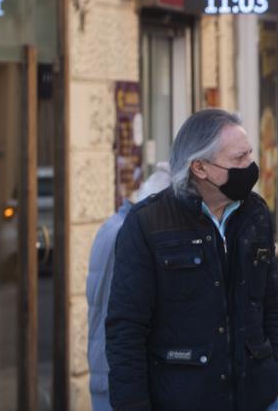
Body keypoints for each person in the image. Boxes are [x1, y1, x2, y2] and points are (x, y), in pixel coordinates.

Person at [107, 109, 278, 411]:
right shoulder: (148, 224)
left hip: (259, 397)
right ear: (200, 168)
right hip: (183, 398)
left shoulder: (256, 213)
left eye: (249, 155)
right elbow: (126, 328)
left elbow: (269, 303)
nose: (250, 166)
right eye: (238, 160)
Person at [87, 164, 172, 410]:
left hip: (105, 368)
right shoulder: (131, 234)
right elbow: (125, 315)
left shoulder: (112, 225)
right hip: (116, 374)